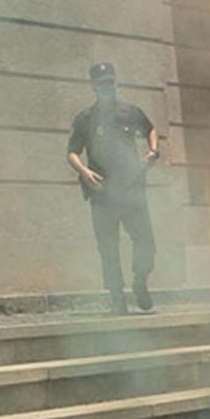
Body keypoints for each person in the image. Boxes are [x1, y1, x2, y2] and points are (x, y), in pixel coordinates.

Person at [67, 62, 161, 313]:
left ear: (115, 83)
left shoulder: (129, 111)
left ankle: (140, 281)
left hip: (131, 190)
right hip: (102, 193)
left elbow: (151, 129)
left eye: (110, 82)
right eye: (102, 84)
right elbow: (72, 152)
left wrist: (152, 151)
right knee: (108, 247)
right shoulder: (85, 119)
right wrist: (84, 172)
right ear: (94, 87)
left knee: (146, 242)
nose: (107, 87)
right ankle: (117, 297)